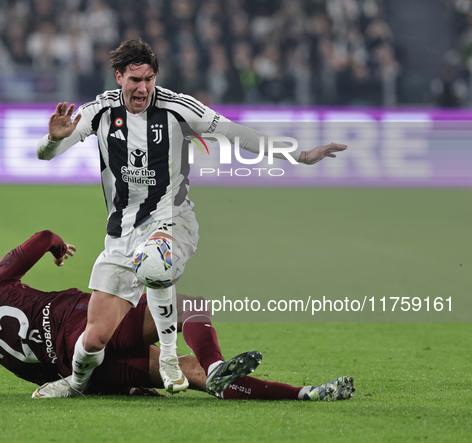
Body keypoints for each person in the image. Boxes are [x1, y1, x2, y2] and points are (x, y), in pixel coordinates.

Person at [36, 38, 348, 396]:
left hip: (172, 220)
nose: (143, 88)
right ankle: (76, 384)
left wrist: (300, 155)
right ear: (119, 77)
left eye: (149, 78)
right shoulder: (100, 111)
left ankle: (170, 359)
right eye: (135, 79)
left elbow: (235, 133)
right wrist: (51, 139)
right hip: (122, 234)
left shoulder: (177, 108)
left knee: (155, 262)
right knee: (94, 339)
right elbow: (47, 154)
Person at [0, 230, 355, 401]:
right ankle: (231, 371)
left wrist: (119, 388)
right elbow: (43, 237)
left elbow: (45, 376)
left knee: (184, 373)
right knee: (184, 306)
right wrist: (56, 248)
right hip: (86, 322)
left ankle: (303, 394)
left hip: (87, 371)